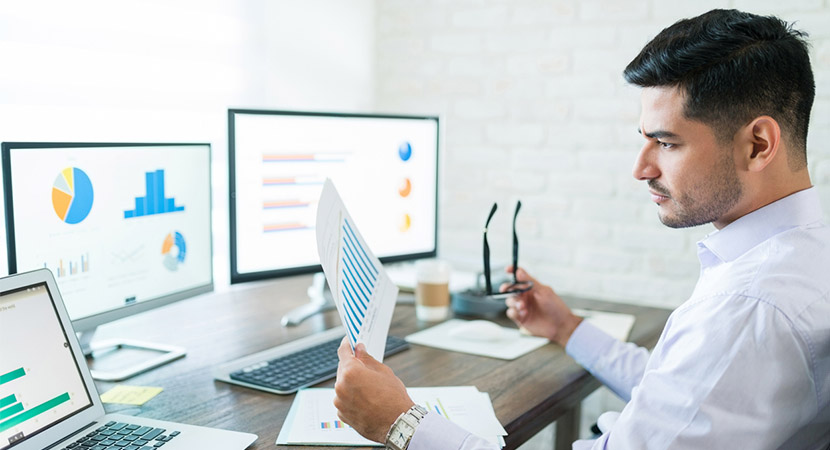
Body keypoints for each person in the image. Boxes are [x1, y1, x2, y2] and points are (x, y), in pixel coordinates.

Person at [334, 8, 830, 449]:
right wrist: (567, 328)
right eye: (644, 140)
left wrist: (400, 423)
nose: (641, 168)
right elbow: (682, 394)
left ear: (759, 144)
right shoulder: (800, 253)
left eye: (667, 143)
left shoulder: (746, 310)